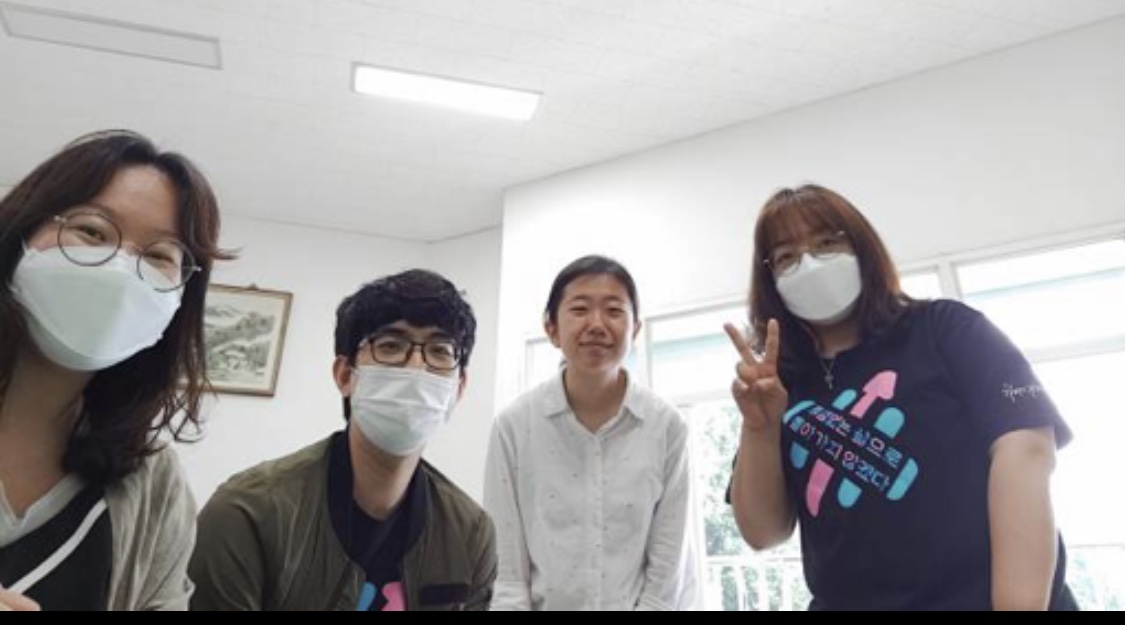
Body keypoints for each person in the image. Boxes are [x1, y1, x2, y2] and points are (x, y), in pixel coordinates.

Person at [725, 184, 1077, 610]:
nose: (810, 264)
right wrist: (759, 428)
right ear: (770, 281)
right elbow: (763, 532)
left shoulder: (945, 329)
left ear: (862, 248)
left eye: (826, 243)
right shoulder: (780, 382)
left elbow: (1026, 450)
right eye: (786, 257)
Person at [0, 130, 227, 611]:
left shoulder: (153, 482)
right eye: (92, 232)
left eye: (159, 256)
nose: (120, 270)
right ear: (21, 235)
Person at [190, 270, 496, 611]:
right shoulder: (249, 514)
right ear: (345, 375)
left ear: (459, 387)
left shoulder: (470, 533)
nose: (416, 367)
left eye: (440, 351)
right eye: (390, 346)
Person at [485, 255, 697, 611]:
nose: (597, 325)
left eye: (614, 311)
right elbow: (507, 575)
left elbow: (666, 574)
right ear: (551, 328)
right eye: (580, 309)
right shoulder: (513, 426)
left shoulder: (667, 427)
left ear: (635, 330)